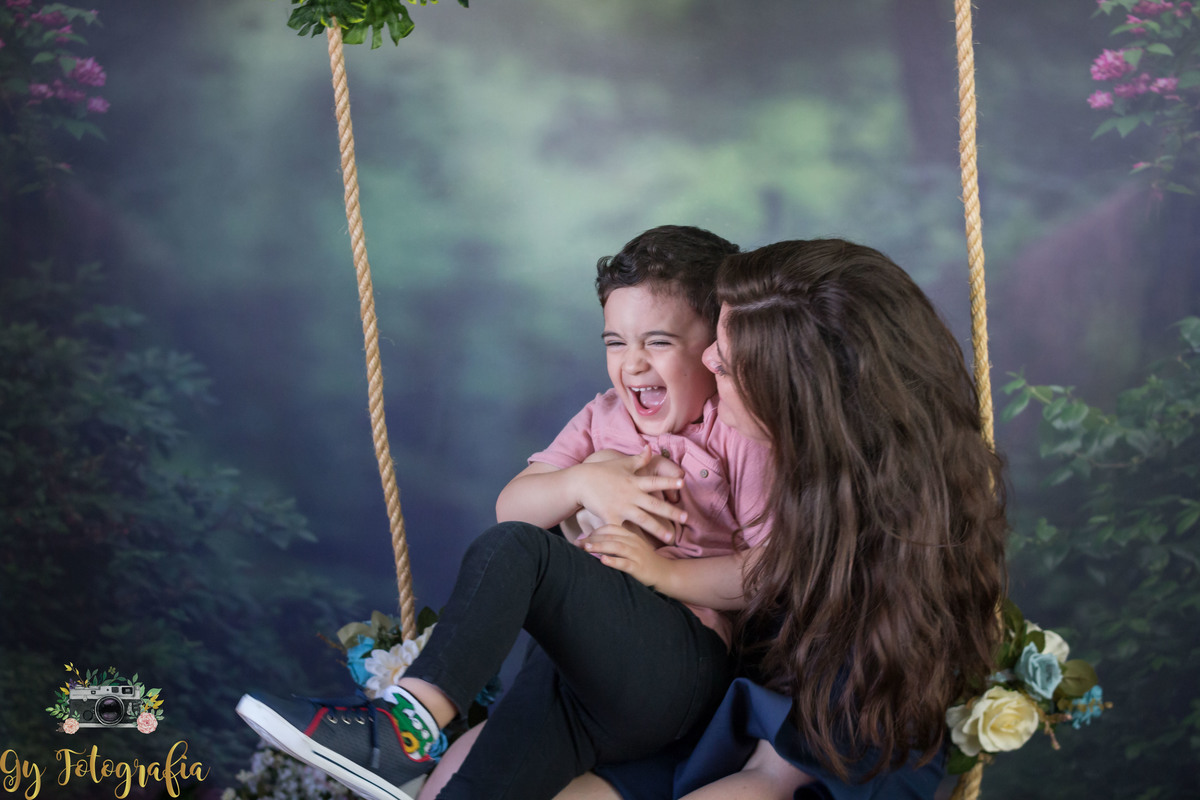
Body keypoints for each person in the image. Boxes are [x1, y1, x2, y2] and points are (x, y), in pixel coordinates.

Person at [236, 225, 774, 800]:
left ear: (717, 345)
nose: (633, 364)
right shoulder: (602, 418)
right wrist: (581, 480)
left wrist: (664, 572)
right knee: (483, 782)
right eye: (615, 342)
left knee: (519, 550)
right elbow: (513, 504)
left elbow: (773, 570)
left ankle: (403, 732)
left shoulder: (739, 431)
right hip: (578, 680)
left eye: (659, 342)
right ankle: (402, 752)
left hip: (678, 669)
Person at [561, 238, 1009, 800]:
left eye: (724, 363)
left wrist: (663, 573)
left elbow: (777, 773)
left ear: (791, 393)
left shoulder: (876, 563)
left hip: (820, 751)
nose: (703, 360)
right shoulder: (738, 466)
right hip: (715, 705)